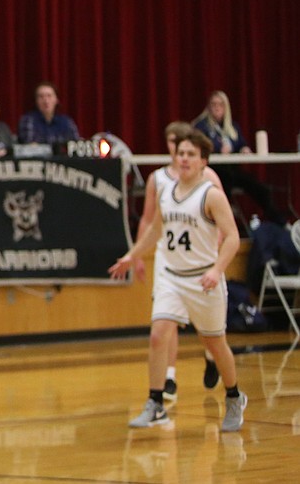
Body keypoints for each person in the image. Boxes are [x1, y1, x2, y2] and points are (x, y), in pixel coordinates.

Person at [109, 130, 248, 433]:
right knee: (158, 335)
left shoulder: (211, 194)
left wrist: (216, 270)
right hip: (172, 278)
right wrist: (132, 255)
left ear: (203, 161)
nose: (184, 158)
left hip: (203, 280)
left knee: (215, 343)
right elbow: (156, 231)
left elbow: (233, 238)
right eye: (180, 153)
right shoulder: (166, 191)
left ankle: (235, 395)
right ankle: (155, 403)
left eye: (190, 154)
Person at [131, 122, 225, 400]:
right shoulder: (158, 179)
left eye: (182, 145)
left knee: (206, 328)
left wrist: (216, 252)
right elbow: (148, 220)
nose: (177, 149)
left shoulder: (208, 178)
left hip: (200, 258)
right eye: (172, 143)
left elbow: (222, 221)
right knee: (164, 322)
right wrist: (137, 255)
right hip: (167, 259)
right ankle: (167, 379)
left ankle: (211, 356)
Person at [193, 90, 286, 223]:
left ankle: (279, 223)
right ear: (208, 107)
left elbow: (241, 143)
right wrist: (218, 150)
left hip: (232, 170)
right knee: (225, 182)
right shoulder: (201, 126)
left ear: (226, 107)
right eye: (213, 104)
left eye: (220, 104)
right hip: (213, 171)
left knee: (259, 187)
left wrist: (244, 149)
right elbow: (201, 147)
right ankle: (225, 218)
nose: (217, 107)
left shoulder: (232, 127)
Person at [17, 81, 79, 147]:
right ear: (36, 101)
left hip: (63, 157)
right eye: (41, 97)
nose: (46, 101)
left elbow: (75, 145)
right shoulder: (28, 120)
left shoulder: (67, 121)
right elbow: (31, 146)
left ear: (56, 100)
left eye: (49, 96)